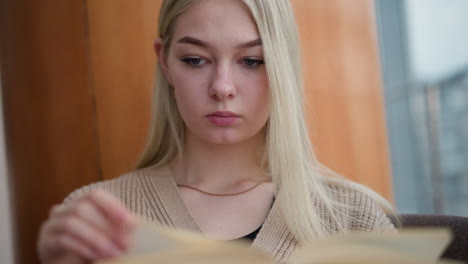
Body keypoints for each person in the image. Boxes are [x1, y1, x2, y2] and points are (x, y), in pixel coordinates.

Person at [37, 0, 397, 263]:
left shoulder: (351, 217)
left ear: (282, 66)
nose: (222, 87)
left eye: (252, 61)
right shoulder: (96, 218)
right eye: (195, 60)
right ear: (165, 61)